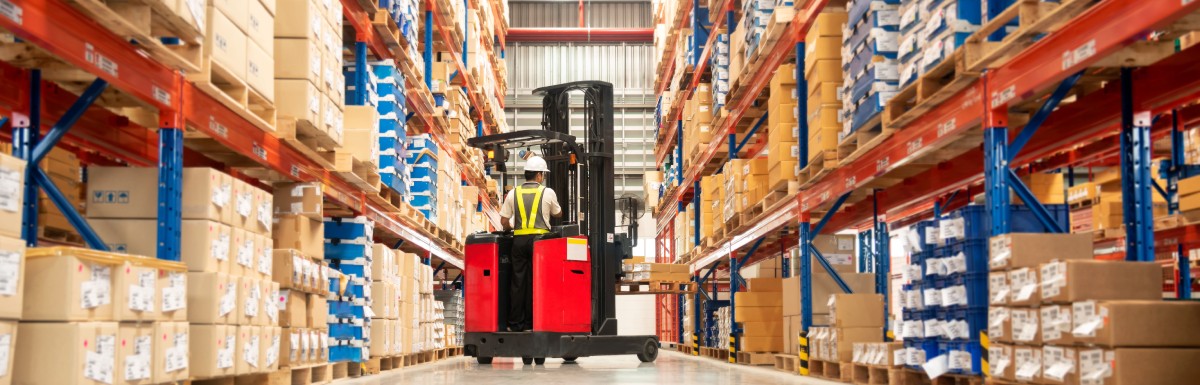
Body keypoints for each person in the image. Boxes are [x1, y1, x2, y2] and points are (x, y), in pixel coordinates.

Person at [499, 155, 563, 332]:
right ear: (539, 175)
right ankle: (533, 322)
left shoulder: (513, 193)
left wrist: (510, 228)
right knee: (537, 282)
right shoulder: (547, 192)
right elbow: (558, 213)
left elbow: (504, 220)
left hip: (518, 242)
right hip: (540, 244)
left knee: (518, 282)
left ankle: (516, 324)